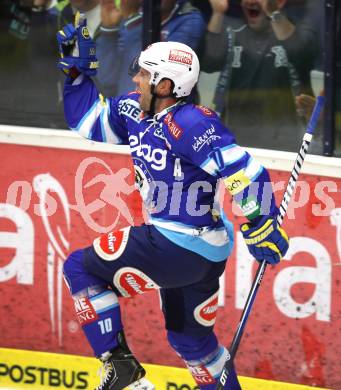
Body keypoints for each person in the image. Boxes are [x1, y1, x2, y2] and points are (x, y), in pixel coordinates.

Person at [57, 18, 289, 389]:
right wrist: (75, 75)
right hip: (200, 255)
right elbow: (89, 121)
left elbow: (244, 171)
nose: (135, 80)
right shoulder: (135, 110)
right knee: (191, 342)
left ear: (165, 85)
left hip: (175, 244)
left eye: (144, 74)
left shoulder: (193, 122)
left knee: (80, 269)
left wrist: (263, 222)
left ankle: (122, 370)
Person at [201, 0, 319, 152]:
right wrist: (218, 13)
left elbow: (301, 52)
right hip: (235, 141)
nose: (250, 1)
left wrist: (274, 13)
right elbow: (210, 63)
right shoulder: (232, 29)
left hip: (287, 143)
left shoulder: (298, 26)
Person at [96, 0, 206, 97]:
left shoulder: (190, 20)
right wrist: (109, 32)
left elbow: (155, 76)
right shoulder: (129, 16)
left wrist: (134, 20)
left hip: (164, 115)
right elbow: (106, 81)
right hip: (123, 109)